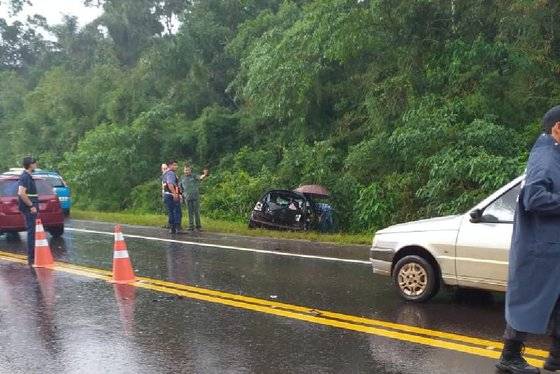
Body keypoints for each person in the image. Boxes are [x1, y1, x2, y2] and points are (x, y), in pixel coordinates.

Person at [496, 105, 560, 374]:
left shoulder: (554, 155)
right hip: (539, 250)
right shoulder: (545, 157)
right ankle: (509, 357)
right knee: (529, 300)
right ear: (558, 128)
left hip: (551, 248)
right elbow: (533, 198)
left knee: (556, 301)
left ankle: (557, 356)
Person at [17, 157, 39, 266]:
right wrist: (31, 206)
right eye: (34, 163)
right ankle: (32, 257)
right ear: (30, 165)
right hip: (29, 208)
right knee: (31, 232)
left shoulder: (28, 176)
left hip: (30, 208)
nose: (36, 164)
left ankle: (33, 256)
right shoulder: (25, 177)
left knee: (33, 231)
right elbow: (21, 193)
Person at [180, 166, 208, 231]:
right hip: (187, 197)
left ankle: (198, 226)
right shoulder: (182, 177)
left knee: (196, 212)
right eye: (185, 170)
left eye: (188, 170)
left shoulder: (194, 176)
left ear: (190, 170)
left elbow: (200, 177)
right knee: (189, 212)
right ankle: (191, 226)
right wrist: (181, 195)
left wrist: (204, 174)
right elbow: (180, 187)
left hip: (195, 196)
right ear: (183, 171)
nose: (187, 171)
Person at [162, 160, 183, 234]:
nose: (176, 167)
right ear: (169, 165)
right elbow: (170, 184)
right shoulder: (171, 173)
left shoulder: (166, 173)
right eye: (174, 165)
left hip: (167, 194)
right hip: (171, 195)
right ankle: (177, 228)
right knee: (177, 211)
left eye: (176, 165)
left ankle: (172, 228)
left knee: (170, 211)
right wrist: (175, 194)